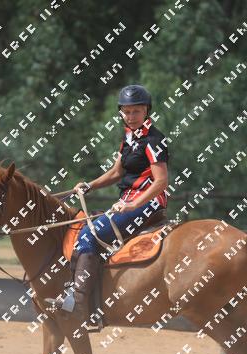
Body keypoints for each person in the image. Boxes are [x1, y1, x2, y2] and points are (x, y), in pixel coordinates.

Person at [46, 84, 170, 324]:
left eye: (136, 111)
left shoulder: (154, 140)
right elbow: (116, 172)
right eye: (127, 112)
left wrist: (134, 204)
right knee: (86, 229)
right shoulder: (129, 138)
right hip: (128, 201)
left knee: (88, 235)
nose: (131, 116)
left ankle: (77, 303)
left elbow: (161, 181)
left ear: (146, 110)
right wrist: (89, 185)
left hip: (148, 203)